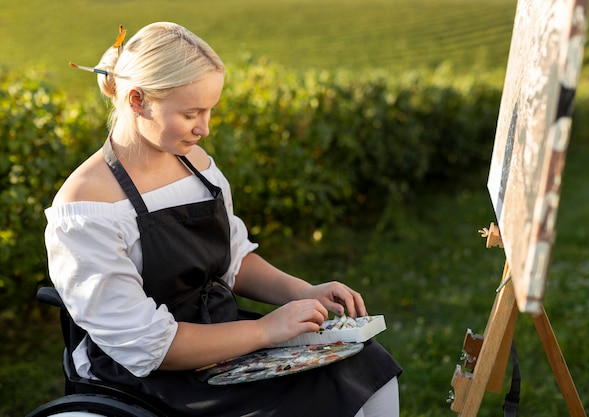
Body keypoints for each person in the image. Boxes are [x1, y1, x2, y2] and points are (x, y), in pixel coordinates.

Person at [44, 22, 402, 417]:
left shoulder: (196, 164)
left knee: (362, 362)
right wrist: (266, 331)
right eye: (191, 113)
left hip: (223, 329)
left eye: (210, 110)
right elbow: (147, 345)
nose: (205, 127)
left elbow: (233, 258)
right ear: (136, 100)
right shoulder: (85, 205)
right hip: (148, 371)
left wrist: (303, 292)